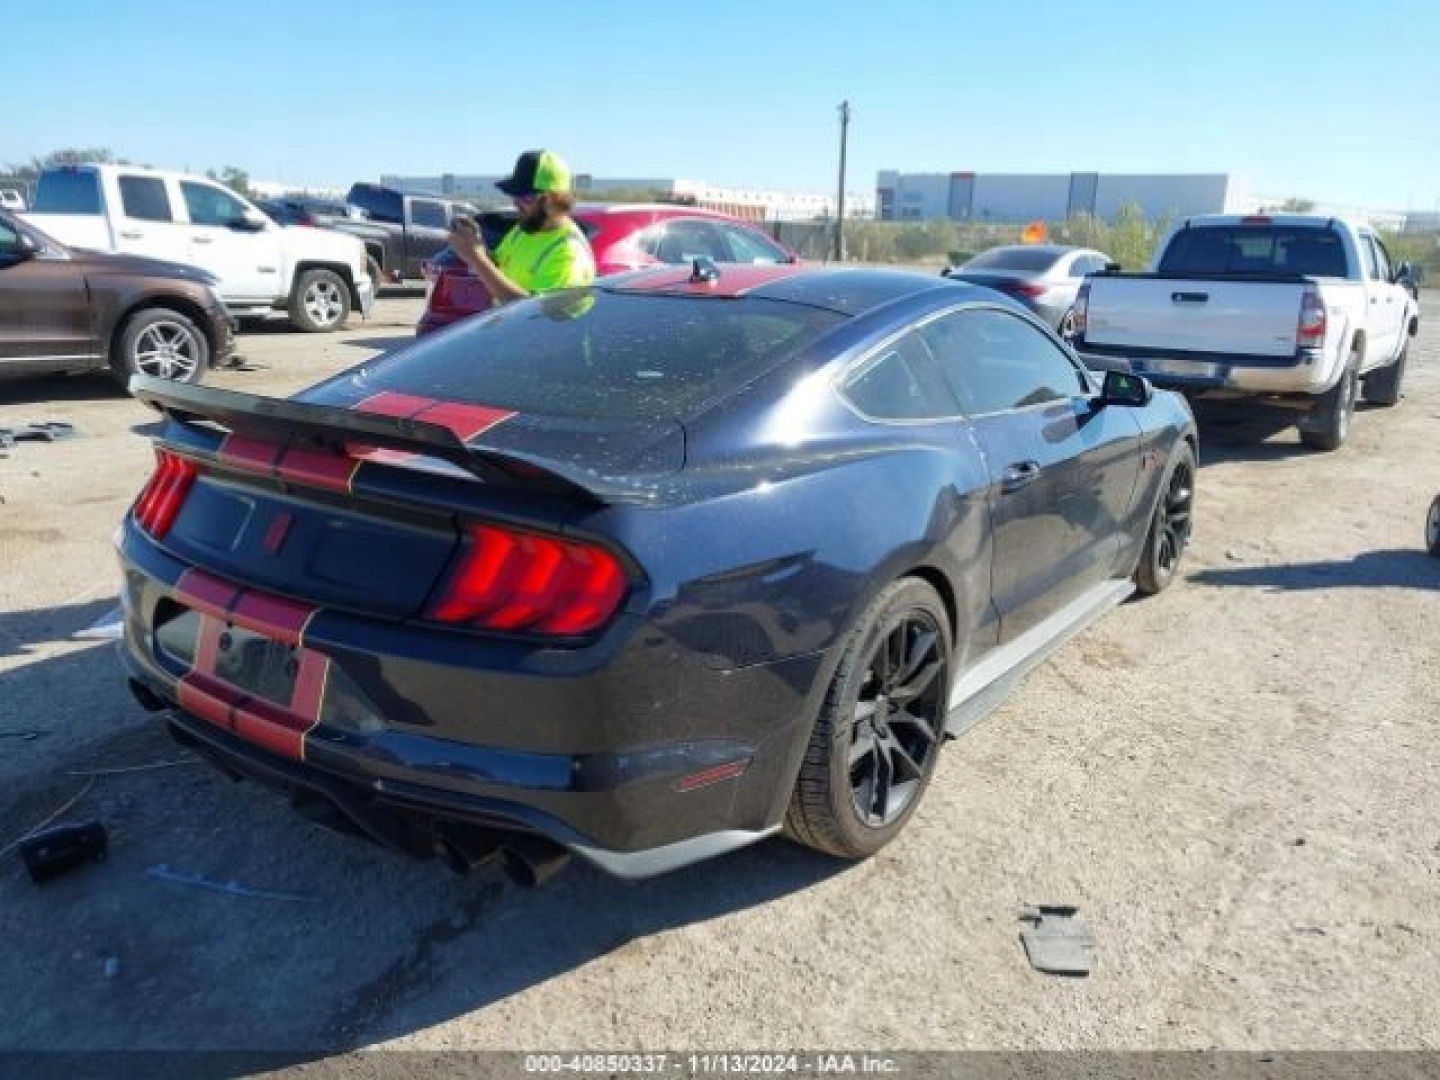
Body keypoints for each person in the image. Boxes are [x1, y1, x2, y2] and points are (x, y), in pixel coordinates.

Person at [447, 149, 596, 305]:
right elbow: (500, 265)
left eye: (526, 198)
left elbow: (532, 310)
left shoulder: (568, 254)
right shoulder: (525, 229)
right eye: (515, 196)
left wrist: (476, 258)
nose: (516, 204)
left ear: (555, 199)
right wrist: (475, 246)